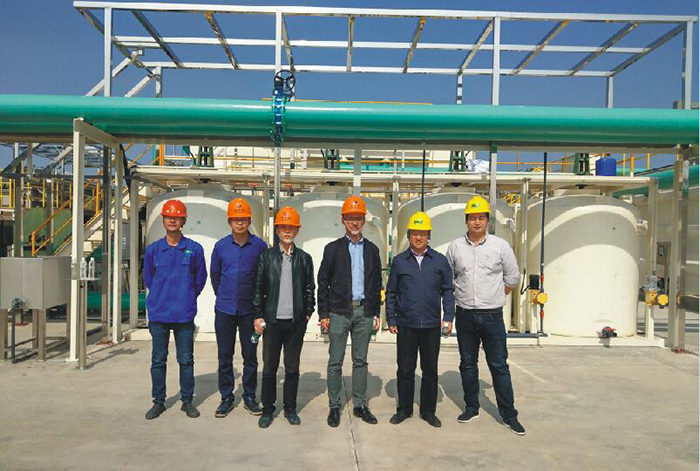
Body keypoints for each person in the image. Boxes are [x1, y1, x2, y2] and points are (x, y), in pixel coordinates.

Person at [446, 195, 525, 435]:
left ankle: (509, 415)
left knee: (499, 365)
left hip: (492, 316)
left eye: (481, 218)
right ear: (466, 221)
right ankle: (472, 407)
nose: (477, 222)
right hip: (465, 315)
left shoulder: (500, 246)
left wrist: (496, 295)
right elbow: (449, 277)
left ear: (487, 220)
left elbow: (512, 276)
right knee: (467, 363)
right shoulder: (455, 247)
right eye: (473, 218)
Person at [318, 195, 382, 428]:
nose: (355, 222)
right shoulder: (333, 249)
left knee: (360, 361)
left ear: (364, 220)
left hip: (364, 312)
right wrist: (324, 313)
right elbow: (323, 282)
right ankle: (335, 405)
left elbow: (377, 283)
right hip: (338, 312)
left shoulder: (372, 250)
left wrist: (376, 312)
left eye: (358, 218)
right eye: (350, 218)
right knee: (335, 361)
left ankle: (360, 405)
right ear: (343, 220)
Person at [386, 212, 454, 428]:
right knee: (405, 369)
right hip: (406, 324)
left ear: (429, 236)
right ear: (408, 235)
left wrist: (448, 317)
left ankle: (428, 411)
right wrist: (391, 318)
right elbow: (391, 292)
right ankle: (404, 409)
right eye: (415, 233)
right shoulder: (400, 261)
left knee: (430, 370)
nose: (418, 237)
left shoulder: (440, 261)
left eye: (422, 233)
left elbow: (448, 290)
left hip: (432, 326)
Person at [143, 199, 207, 420]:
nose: (172, 220)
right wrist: (161, 296)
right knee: (158, 360)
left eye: (177, 217)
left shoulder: (194, 249)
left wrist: (186, 296)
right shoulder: (153, 250)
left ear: (183, 221)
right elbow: (149, 278)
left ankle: (187, 401)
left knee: (186, 360)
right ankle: (158, 401)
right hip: (159, 314)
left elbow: (200, 279)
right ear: (163, 220)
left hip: (184, 314)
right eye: (169, 217)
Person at [253, 207, 315, 428]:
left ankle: (290, 408)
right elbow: (258, 288)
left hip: (295, 322)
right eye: (283, 227)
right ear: (277, 229)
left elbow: (310, 288)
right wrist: (258, 315)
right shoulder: (267, 257)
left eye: (291, 227)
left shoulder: (304, 259)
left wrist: (307, 312)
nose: (287, 231)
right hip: (272, 321)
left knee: (292, 368)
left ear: (297, 230)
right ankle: (268, 409)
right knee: (269, 368)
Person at [210, 198, 268, 418]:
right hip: (225, 311)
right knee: (224, 356)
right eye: (236, 219)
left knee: (250, 355)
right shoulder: (221, 246)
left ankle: (249, 396)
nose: (240, 223)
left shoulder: (260, 246)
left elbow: (264, 278)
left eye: (243, 219)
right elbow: (215, 276)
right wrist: (225, 296)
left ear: (249, 221)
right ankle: (226, 397)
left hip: (250, 313)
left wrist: (259, 309)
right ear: (229, 221)